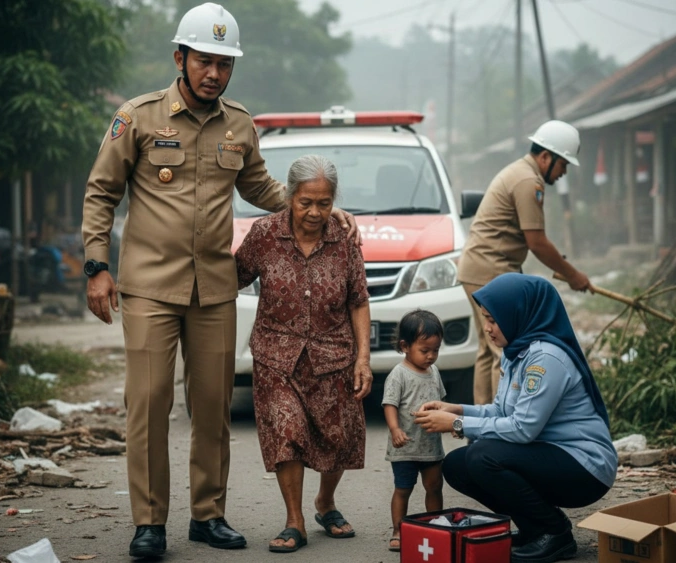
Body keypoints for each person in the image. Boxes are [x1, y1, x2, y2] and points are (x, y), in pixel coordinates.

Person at [81, 4, 358, 558]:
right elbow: (100, 192)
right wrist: (97, 267)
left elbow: (261, 186)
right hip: (150, 288)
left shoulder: (239, 124)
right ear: (180, 57)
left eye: (224, 64)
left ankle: (208, 515)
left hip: (214, 289)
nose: (214, 73)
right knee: (150, 404)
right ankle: (150, 523)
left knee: (211, 408)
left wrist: (315, 208)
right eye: (204, 61)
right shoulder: (138, 118)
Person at [413, 273, 616, 563]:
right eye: (485, 319)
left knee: (483, 457)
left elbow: (522, 429)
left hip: (585, 467)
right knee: (458, 465)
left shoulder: (546, 358)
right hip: (550, 454)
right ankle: (537, 528)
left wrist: (456, 425)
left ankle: (555, 533)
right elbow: (503, 412)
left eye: (494, 320)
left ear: (519, 314)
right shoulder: (517, 350)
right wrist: (456, 409)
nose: (488, 329)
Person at [235, 155, 373, 554]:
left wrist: (362, 358)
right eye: (306, 202)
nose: (315, 212)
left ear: (334, 201)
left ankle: (325, 503)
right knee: (287, 433)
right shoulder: (264, 234)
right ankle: (294, 520)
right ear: (290, 197)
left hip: (334, 355)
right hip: (277, 355)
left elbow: (358, 301)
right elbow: (232, 276)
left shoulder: (345, 239)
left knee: (338, 439)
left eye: (324, 203)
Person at [457, 120, 592, 406]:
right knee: (501, 349)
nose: (563, 172)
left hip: (476, 267)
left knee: (486, 348)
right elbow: (537, 242)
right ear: (546, 157)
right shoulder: (529, 181)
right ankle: (498, 427)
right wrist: (573, 275)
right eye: (563, 164)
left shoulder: (519, 172)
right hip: (490, 269)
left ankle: (478, 426)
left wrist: (564, 268)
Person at [381, 309, 447, 552]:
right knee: (403, 489)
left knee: (434, 487)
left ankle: (438, 526)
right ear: (405, 346)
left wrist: (452, 424)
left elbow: (441, 404)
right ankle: (398, 529)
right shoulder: (399, 375)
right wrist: (395, 429)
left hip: (431, 448)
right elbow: (390, 404)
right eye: (425, 350)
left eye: (436, 350)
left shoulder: (435, 373)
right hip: (405, 447)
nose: (431, 356)